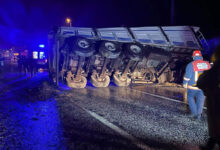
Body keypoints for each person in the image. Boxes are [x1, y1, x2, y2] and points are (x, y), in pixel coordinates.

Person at [197, 45, 220, 150]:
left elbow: (201, 81)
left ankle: (212, 142)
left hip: (215, 101)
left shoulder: (214, 70)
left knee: (215, 122)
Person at [182, 50, 211, 119]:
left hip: (193, 86)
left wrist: (184, 83)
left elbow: (187, 77)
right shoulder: (207, 64)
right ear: (201, 56)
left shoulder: (190, 64)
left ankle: (194, 113)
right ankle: (198, 115)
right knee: (200, 101)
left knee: (190, 97)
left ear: (193, 57)